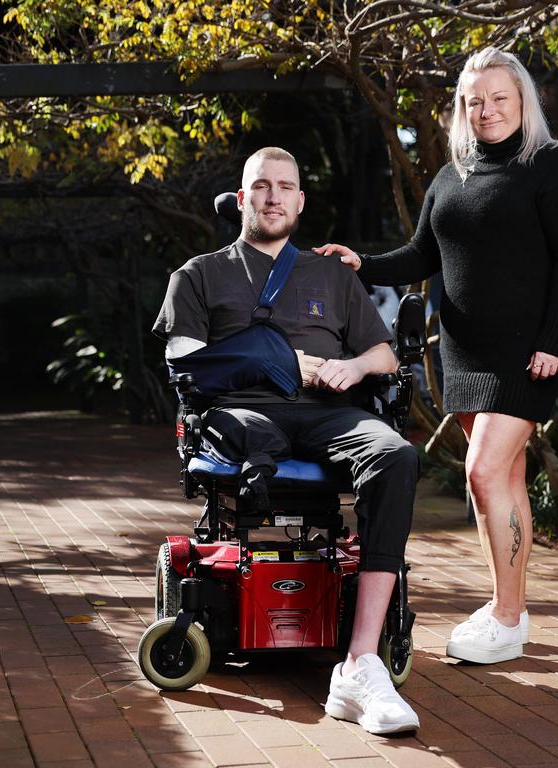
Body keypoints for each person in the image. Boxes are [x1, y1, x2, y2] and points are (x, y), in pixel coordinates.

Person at [314, 47, 558, 665]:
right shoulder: (451, 176)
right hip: (465, 354)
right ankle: (511, 611)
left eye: (500, 98)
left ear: (522, 102)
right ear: (461, 110)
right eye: (475, 101)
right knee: (507, 478)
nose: (487, 110)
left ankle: (506, 613)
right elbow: (422, 256)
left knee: (482, 473)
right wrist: (362, 263)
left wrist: (554, 340)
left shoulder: (549, 165)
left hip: (524, 355)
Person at [153, 146, 420, 735]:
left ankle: (361, 659)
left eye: (285, 187)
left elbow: (384, 352)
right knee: (254, 450)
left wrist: (353, 369)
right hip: (245, 419)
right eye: (261, 186)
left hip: (330, 414)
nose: (273, 196)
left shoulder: (330, 273)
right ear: (242, 198)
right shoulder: (199, 275)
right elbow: (188, 366)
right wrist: (283, 364)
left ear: (300, 200)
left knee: (397, 456)